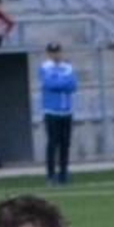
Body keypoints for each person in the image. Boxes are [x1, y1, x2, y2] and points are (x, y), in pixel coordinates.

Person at [39, 42, 77, 184]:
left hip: (66, 111)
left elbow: (73, 85)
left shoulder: (68, 67)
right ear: (48, 54)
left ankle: (63, 173)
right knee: (52, 143)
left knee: (65, 143)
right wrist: (63, 83)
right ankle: (51, 174)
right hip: (51, 111)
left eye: (58, 51)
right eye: (52, 52)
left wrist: (59, 82)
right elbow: (49, 85)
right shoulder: (45, 67)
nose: (56, 54)